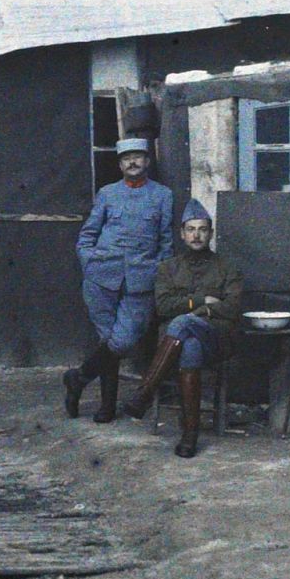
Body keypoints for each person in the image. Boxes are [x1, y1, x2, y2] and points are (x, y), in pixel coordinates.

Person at [121, 198, 244, 458]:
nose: (196, 235)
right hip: (183, 344)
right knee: (189, 346)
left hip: (216, 340)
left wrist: (195, 311)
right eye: (191, 229)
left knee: (181, 321)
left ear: (210, 233)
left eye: (202, 229)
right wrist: (202, 302)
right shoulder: (168, 267)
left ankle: (144, 392)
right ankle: (190, 436)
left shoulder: (226, 267)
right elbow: (162, 306)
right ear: (182, 233)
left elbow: (233, 307)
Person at [66, 137, 176, 423]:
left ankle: (78, 378)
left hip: (140, 279)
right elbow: (88, 233)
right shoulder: (107, 193)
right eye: (127, 158)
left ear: (147, 161)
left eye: (138, 157)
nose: (133, 162)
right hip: (101, 276)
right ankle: (106, 406)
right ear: (120, 164)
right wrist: (88, 259)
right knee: (106, 339)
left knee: (122, 340)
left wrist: (157, 271)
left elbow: (166, 241)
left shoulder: (163, 195)